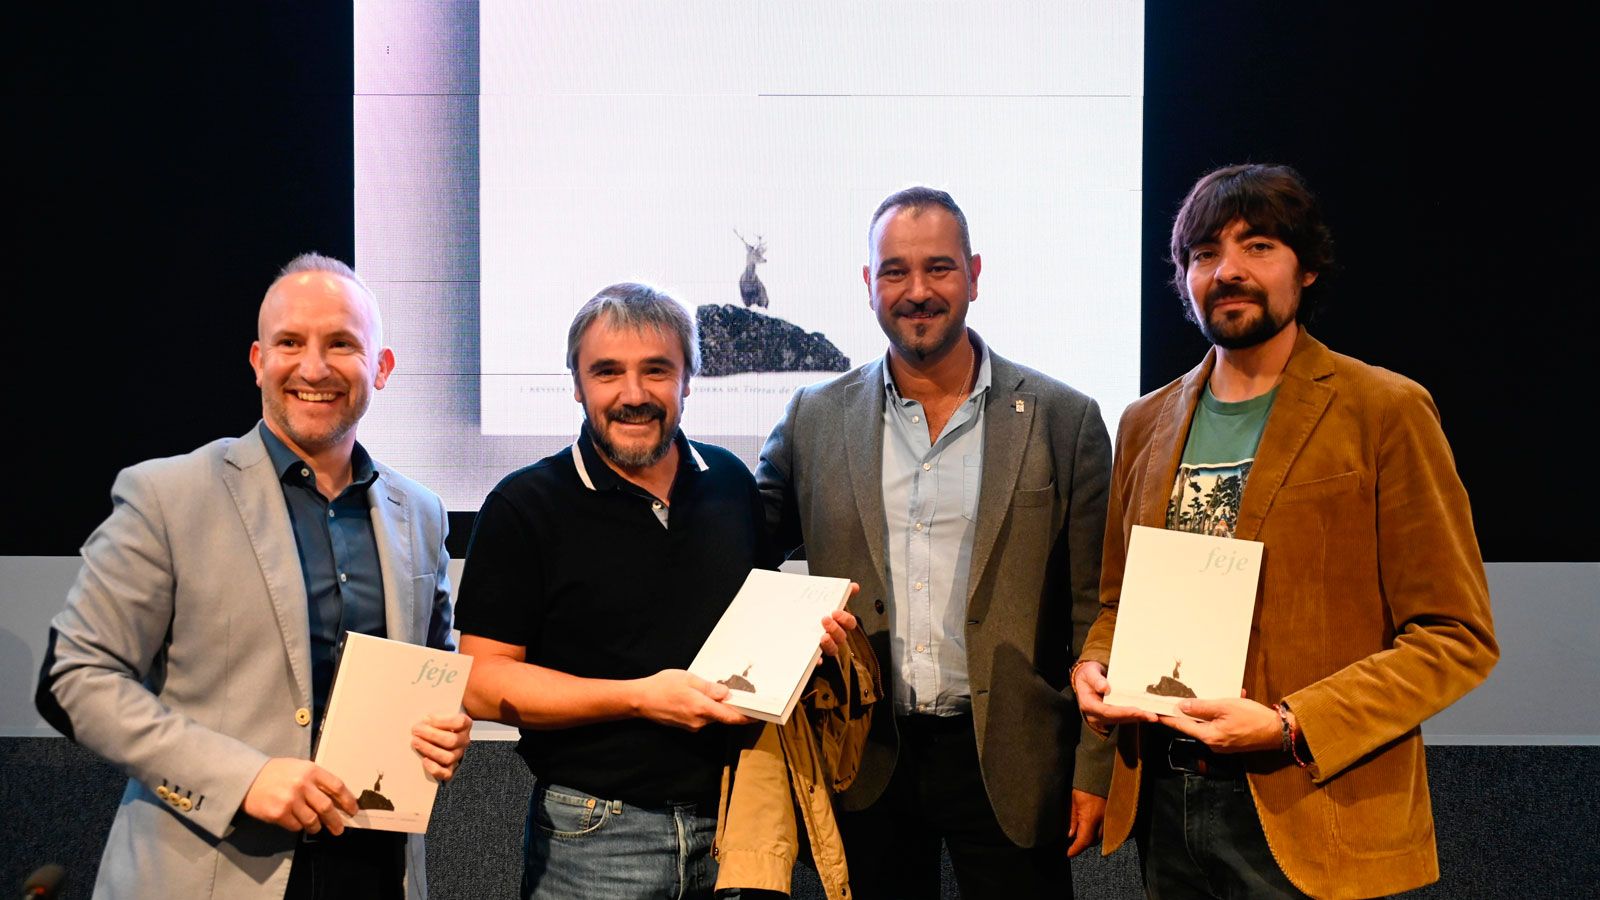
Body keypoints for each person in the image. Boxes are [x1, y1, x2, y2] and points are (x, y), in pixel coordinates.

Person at [1073, 163, 1498, 899]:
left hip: (1312, 804)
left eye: (1259, 245)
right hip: (1168, 808)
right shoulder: (1145, 423)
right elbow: (1119, 601)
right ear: (1184, 277)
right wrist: (1096, 665)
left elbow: (1455, 636)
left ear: (1306, 269)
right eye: (1205, 253)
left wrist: (1287, 724)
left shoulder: (1383, 410)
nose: (1228, 270)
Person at [36, 253, 472, 900]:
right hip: (208, 874)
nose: (314, 367)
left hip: (376, 872)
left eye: (342, 344)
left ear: (381, 368)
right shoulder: (167, 495)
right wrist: (244, 778)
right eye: (290, 343)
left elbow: (430, 672)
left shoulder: (423, 514)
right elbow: (73, 678)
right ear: (257, 360)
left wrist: (444, 729)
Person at [757, 186, 1114, 898]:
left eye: (939, 268)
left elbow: (1096, 609)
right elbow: (737, 553)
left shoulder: (1063, 419)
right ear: (868, 286)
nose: (917, 291)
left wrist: (1093, 768)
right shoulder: (814, 419)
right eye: (894, 271)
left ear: (975, 275)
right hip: (865, 757)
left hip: (1012, 760)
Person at [453, 283, 854, 899]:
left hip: (737, 825)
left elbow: (755, 639)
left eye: (657, 371)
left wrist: (816, 644)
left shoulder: (730, 485)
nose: (633, 395)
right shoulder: (523, 505)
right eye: (607, 372)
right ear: (577, 384)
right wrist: (639, 699)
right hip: (596, 835)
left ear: (689, 380)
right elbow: (481, 683)